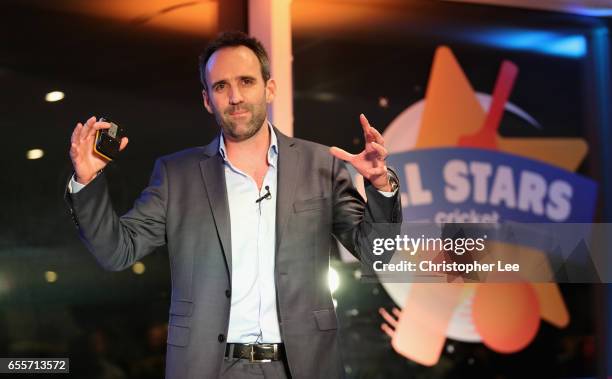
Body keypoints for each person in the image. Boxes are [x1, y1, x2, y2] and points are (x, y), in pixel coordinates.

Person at [65, 31, 401, 379]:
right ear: (207, 100)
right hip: (210, 367)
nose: (236, 96)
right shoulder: (177, 175)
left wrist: (381, 186)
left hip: (303, 366)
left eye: (246, 81)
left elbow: (378, 252)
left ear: (269, 88)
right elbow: (116, 251)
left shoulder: (320, 164)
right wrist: (87, 181)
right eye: (221, 86)